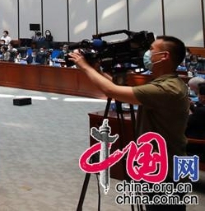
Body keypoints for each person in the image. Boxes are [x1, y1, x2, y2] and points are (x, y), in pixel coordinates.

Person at [68, 36, 189, 210]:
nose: (147, 53)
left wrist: (84, 66)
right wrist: (98, 71)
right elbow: (119, 90)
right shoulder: (167, 83)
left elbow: (112, 91)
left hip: (166, 170)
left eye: (152, 50)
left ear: (164, 56)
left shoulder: (167, 89)